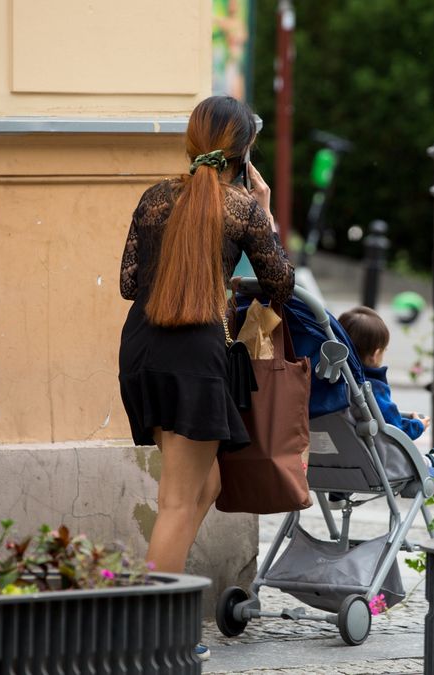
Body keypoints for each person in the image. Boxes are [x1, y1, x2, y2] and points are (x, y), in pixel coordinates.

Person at [118, 96, 295, 659]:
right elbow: (280, 284)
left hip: (143, 349)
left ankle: (160, 611)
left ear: (192, 141)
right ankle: (153, 636)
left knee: (207, 485)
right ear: (244, 152)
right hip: (193, 358)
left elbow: (129, 283)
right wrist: (265, 211)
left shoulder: (154, 198)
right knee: (178, 499)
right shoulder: (242, 208)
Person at [329, 306, 434, 505]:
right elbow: (394, 428)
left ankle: (337, 493)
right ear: (376, 354)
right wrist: (418, 425)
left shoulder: (327, 385)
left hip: (332, 467)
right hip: (376, 467)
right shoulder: (370, 388)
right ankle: (432, 462)